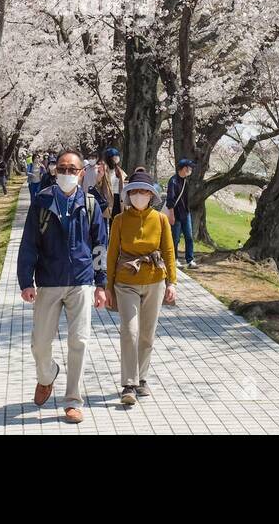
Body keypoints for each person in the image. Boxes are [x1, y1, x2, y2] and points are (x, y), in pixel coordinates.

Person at [17, 149, 108, 425]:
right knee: (40, 344)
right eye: (63, 169)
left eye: (73, 169)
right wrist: (26, 281)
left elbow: (100, 246)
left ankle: (72, 400)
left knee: (78, 341)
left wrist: (101, 284)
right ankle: (47, 375)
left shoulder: (90, 204)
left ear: (82, 173)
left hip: (80, 281)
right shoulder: (42, 202)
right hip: (49, 280)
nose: (67, 174)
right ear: (55, 171)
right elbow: (29, 243)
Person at [105, 167, 176, 406]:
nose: (139, 195)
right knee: (130, 331)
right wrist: (108, 286)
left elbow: (168, 251)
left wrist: (172, 282)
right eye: (134, 191)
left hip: (155, 281)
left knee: (147, 334)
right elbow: (112, 253)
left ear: (151, 195)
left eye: (143, 191)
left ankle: (142, 378)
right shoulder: (119, 221)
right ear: (128, 194)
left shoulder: (161, 219)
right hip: (126, 283)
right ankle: (128, 383)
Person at [165, 158, 197, 268]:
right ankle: (174, 259)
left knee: (189, 237)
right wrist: (171, 215)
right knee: (175, 238)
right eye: (189, 168)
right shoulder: (173, 181)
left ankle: (190, 260)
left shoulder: (185, 181)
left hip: (185, 213)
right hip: (176, 214)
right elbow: (170, 199)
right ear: (183, 168)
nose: (190, 170)